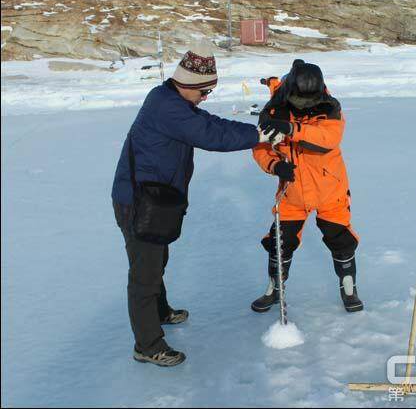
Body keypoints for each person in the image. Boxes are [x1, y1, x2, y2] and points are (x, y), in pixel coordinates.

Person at [111, 42, 281, 367]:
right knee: (144, 273)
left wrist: (259, 130)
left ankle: (159, 312)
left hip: (155, 199)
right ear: (188, 85)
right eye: (204, 92)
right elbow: (211, 136)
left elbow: (214, 124)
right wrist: (260, 138)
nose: (206, 98)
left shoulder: (175, 101)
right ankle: (147, 345)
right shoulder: (167, 107)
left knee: (156, 259)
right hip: (137, 201)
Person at [251, 60, 364, 314]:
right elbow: (260, 148)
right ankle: (274, 288)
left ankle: (348, 288)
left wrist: (293, 129)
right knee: (279, 242)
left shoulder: (329, 107)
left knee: (341, 240)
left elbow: (329, 138)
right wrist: (275, 165)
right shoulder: (274, 111)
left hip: (330, 190)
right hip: (292, 193)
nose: (306, 106)